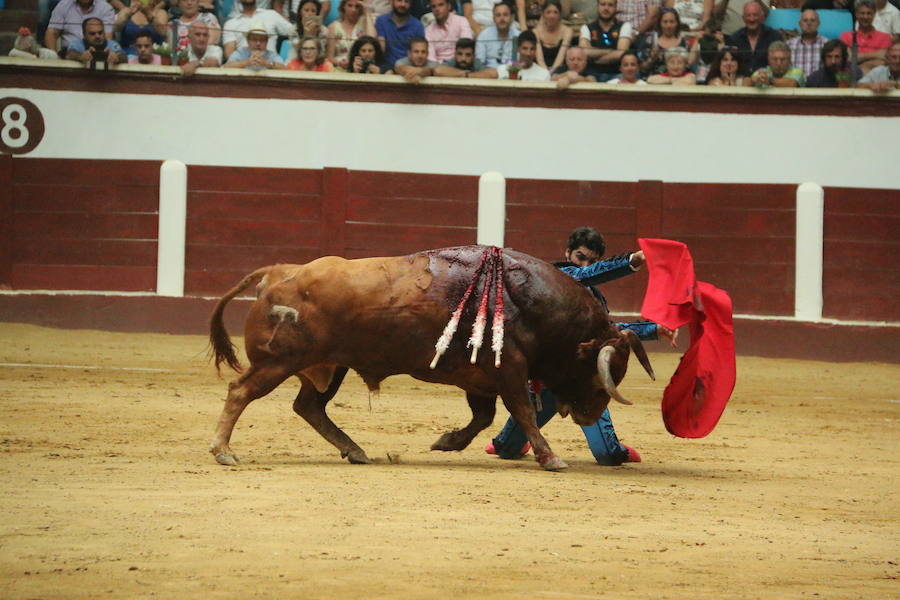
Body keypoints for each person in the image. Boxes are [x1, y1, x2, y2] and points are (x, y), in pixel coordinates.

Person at [486, 227, 677, 466]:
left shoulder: (594, 297)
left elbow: (609, 331)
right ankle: (512, 440)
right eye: (580, 257)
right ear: (567, 253)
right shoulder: (555, 277)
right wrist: (632, 260)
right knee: (507, 450)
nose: (585, 265)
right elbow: (583, 275)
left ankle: (612, 448)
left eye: (592, 261)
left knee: (608, 456)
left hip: (583, 379)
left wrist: (654, 329)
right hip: (551, 379)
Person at [579, 0, 634, 81]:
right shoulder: (586, 28)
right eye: (603, 4)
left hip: (617, 74)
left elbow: (621, 53)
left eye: (610, 5)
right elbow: (584, 52)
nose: (606, 8)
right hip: (592, 74)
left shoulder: (624, 26)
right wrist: (610, 51)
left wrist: (595, 59)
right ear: (597, 6)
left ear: (615, 7)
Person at [223, 0, 296, 59]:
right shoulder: (230, 24)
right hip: (243, 68)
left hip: (271, 67)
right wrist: (246, 63)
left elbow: (294, 32)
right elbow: (229, 55)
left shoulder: (271, 15)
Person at [725, 0, 783, 73]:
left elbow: (781, 64)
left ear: (762, 17)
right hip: (742, 79)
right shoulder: (734, 39)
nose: (751, 19)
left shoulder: (775, 37)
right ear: (743, 18)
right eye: (748, 15)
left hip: (768, 78)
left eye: (755, 15)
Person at [637, 7, 696, 76]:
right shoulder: (650, 40)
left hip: (679, 79)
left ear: (677, 23)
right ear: (660, 23)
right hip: (655, 79)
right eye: (665, 22)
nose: (669, 25)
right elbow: (641, 68)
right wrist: (652, 59)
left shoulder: (685, 41)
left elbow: (689, 65)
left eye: (672, 22)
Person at [45, 0, 116, 56]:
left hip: (96, 55)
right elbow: (51, 33)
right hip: (68, 55)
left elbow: (107, 38)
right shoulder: (63, 5)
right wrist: (54, 58)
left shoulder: (105, 8)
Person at [840, 0, 892, 73]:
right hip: (852, 77)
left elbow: (883, 62)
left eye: (869, 13)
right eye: (862, 13)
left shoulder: (885, 38)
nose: (865, 17)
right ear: (856, 14)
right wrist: (875, 56)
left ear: (874, 15)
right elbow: (849, 58)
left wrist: (858, 61)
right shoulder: (846, 36)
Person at [326, 0, 376, 69]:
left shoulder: (365, 23)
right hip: (340, 68)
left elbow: (372, 39)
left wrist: (367, 13)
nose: (353, 10)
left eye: (357, 6)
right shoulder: (333, 27)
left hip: (361, 67)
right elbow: (330, 57)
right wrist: (340, 63)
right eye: (350, 5)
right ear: (343, 6)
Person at [376, 0, 426, 69]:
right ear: (391, 2)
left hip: (408, 68)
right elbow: (381, 50)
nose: (403, 4)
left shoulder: (417, 25)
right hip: (385, 67)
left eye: (406, 1)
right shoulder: (381, 21)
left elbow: (419, 53)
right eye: (399, 1)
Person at [475, 2, 520, 68]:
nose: (502, 18)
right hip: (489, 71)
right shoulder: (484, 36)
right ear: (494, 19)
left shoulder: (518, 35)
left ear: (511, 17)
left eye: (505, 15)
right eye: (498, 15)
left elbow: (521, 63)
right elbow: (479, 63)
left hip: (512, 71)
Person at [534, 0, 573, 73]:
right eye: (548, 12)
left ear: (560, 15)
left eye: (555, 12)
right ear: (543, 14)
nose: (552, 16)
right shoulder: (536, 32)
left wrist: (552, 72)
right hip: (540, 70)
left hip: (560, 70)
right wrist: (546, 74)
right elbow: (539, 59)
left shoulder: (567, 31)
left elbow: (561, 56)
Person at [787, 8, 828, 77]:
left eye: (812, 20)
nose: (809, 23)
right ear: (800, 24)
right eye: (805, 20)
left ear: (818, 23)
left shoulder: (827, 44)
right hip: (794, 83)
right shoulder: (789, 45)